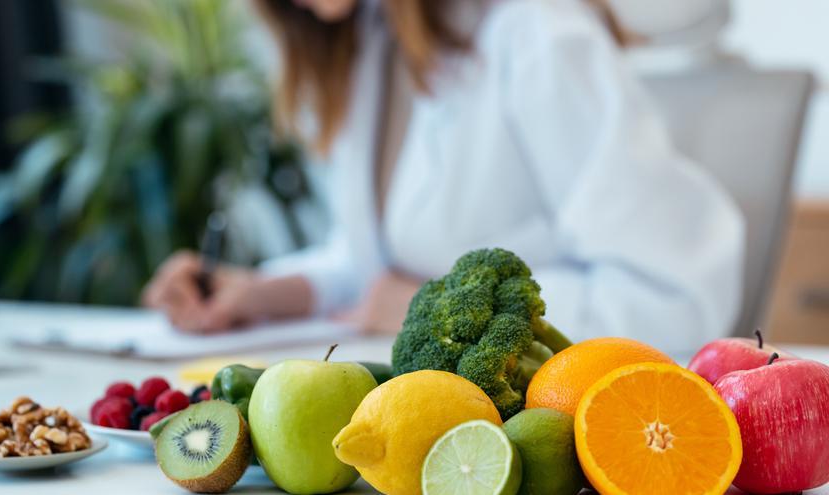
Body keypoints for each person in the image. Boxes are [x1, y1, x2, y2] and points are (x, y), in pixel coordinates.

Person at [143, 0, 744, 352]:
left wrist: (441, 307)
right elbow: (380, 262)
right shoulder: (373, 37)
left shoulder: (537, 32)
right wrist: (261, 294)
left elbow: (672, 297)